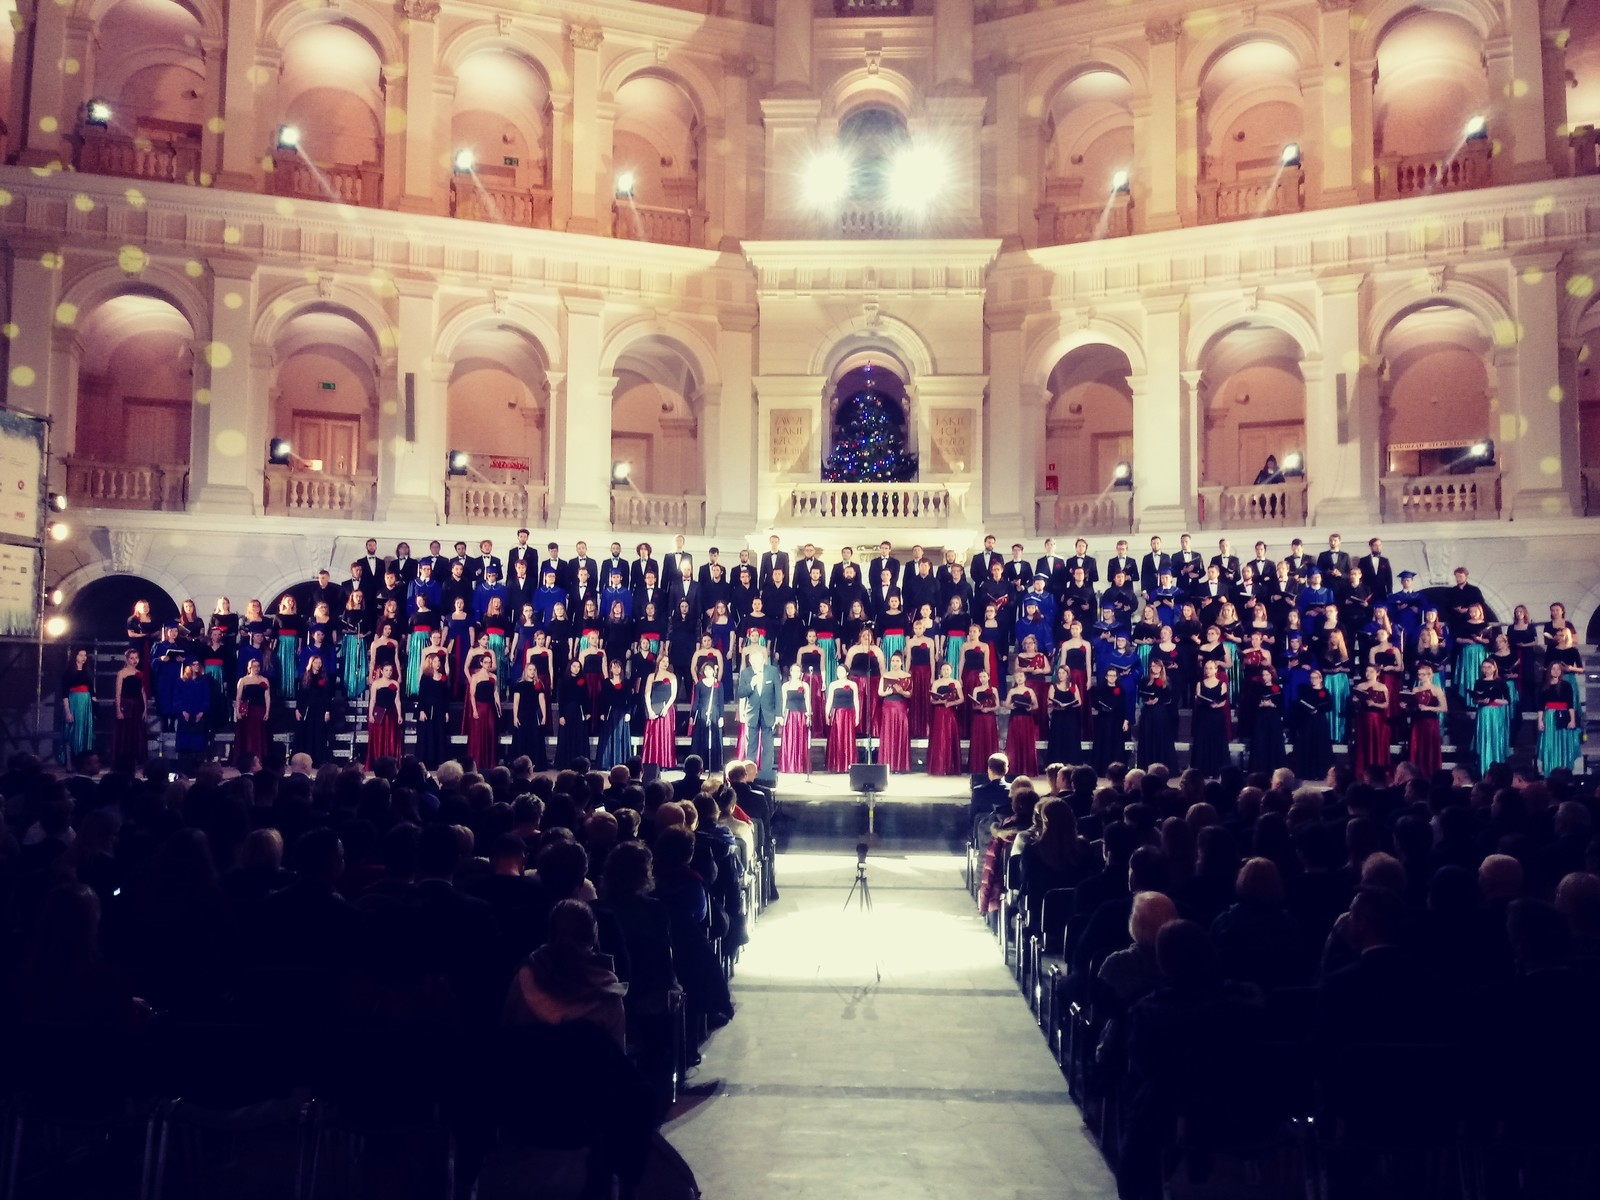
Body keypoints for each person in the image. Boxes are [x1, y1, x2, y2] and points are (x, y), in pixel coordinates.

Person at [736, 643, 782, 774]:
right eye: (752, 661)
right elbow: (741, 693)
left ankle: (766, 773)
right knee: (751, 745)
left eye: (757, 660)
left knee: (767, 745)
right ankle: (750, 772)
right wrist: (751, 685)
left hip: (768, 713)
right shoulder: (746, 673)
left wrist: (778, 714)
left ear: (763, 660)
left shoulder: (772, 671)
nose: (755, 663)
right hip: (752, 713)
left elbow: (778, 694)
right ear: (750, 661)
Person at [1537, 661, 1582, 776]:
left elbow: (1570, 705)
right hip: (1549, 718)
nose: (1556, 671)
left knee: (1563, 744)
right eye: (1553, 669)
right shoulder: (1544, 686)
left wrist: (1572, 720)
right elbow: (1541, 706)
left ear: (1561, 671)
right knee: (1550, 744)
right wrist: (1540, 721)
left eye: (1558, 669)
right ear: (1549, 671)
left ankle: (1564, 771)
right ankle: (1550, 771)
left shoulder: (1566, 685)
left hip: (1563, 717)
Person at [1471, 658, 1513, 773]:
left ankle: (1497, 768)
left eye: (1489, 667)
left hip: (1496, 714)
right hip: (1483, 713)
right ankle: (1484, 768)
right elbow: (1474, 700)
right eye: (1484, 667)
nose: (1486, 670)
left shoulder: (1500, 682)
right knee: (1484, 738)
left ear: (1494, 668)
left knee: (1495, 738)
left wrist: (1493, 699)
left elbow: (1507, 701)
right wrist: (1480, 700)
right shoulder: (1478, 682)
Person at [1293, 668, 1334, 782]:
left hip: (1319, 721)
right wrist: (1307, 709)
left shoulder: (1325, 691)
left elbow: (1329, 705)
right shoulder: (1306, 691)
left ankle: (1319, 772)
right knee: (1307, 745)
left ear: (1321, 679)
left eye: (1315, 678)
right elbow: (1300, 703)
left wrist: (1318, 709)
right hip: (1308, 722)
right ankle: (1307, 772)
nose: (1313, 680)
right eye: (1311, 678)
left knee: (1319, 746)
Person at [1407, 662, 1446, 777]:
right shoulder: (1415, 689)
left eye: (1423, 674)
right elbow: (1413, 707)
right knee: (1417, 748)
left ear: (1430, 675)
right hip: (1418, 722)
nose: (1420, 677)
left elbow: (1444, 708)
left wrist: (1428, 708)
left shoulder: (1436, 689)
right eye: (1419, 674)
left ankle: (1430, 773)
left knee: (1430, 749)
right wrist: (1406, 706)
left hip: (1430, 723)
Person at [1352, 664, 1391, 778]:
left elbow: (1386, 705)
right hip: (1363, 719)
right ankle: (1362, 770)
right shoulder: (1360, 686)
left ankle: (1377, 770)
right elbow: (1356, 704)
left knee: (1376, 743)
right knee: (1363, 744)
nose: (1368, 674)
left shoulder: (1382, 687)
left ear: (1378, 673)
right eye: (1367, 671)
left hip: (1377, 720)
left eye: (1371, 671)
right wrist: (1355, 701)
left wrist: (1374, 704)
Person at [294, 655, 335, 763]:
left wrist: (327, 711)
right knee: (307, 734)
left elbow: (327, 696)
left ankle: (318, 759)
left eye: (320, 663)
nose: (318, 665)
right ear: (311, 664)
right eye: (316, 663)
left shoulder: (325, 677)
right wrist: (297, 709)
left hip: (320, 710)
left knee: (319, 734)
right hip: (307, 710)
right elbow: (300, 694)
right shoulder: (305, 677)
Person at [1247, 665, 1287, 774]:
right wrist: (1260, 704)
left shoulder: (1277, 688)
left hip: (1273, 718)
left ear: (1272, 675)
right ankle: (1259, 770)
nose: (1264, 677)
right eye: (1263, 675)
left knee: (1273, 742)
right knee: (1260, 742)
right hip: (1261, 718)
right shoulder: (1257, 688)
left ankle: (1273, 769)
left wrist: (1272, 704)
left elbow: (1281, 706)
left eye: (1267, 675)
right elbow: (1251, 704)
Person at [464, 651, 501, 767]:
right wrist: (474, 710)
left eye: (490, 663)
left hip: (490, 708)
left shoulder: (493, 677)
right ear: (481, 663)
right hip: (480, 707)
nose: (488, 665)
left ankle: (490, 762)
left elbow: (495, 693)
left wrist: (499, 707)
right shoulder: (475, 677)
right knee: (479, 734)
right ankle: (478, 761)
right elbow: (472, 695)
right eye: (486, 662)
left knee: (491, 732)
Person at [878, 651, 913, 773]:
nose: (895, 663)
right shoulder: (885, 675)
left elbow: (910, 694)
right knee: (888, 734)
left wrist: (902, 691)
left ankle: (900, 765)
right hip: (888, 706)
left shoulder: (907, 675)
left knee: (900, 733)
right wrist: (886, 693)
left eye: (897, 661)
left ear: (901, 662)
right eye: (893, 661)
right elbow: (880, 692)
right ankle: (888, 764)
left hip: (901, 706)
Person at [926, 663, 964, 776]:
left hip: (951, 712)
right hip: (939, 712)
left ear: (951, 670)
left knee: (950, 736)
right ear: (941, 671)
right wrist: (941, 701)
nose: (945, 671)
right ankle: (938, 766)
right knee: (939, 737)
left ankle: (951, 767)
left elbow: (961, 699)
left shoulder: (956, 682)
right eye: (943, 669)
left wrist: (951, 703)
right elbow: (932, 699)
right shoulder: (936, 683)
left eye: (947, 669)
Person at [232, 656, 270, 767]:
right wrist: (238, 712)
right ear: (249, 668)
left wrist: (267, 711)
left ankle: (259, 759)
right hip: (247, 712)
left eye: (258, 666)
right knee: (247, 736)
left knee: (259, 736)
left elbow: (267, 697)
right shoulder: (243, 680)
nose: (257, 668)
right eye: (254, 666)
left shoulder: (264, 680)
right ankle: (245, 761)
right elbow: (238, 697)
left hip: (260, 710)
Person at [416, 649, 451, 767]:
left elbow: (446, 696)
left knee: (439, 734)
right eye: (435, 661)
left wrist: (446, 712)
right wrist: (421, 710)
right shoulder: (426, 677)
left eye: (439, 661)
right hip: (427, 709)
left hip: (440, 709)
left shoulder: (443, 677)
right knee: (427, 734)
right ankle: (426, 761)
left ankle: (439, 760)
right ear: (430, 663)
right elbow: (421, 695)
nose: (438, 663)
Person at [1089, 667, 1128, 775]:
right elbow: (1096, 703)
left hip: (1117, 720)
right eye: (1110, 675)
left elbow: (1124, 706)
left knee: (1116, 744)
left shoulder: (1121, 690)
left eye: (1114, 676)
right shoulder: (1100, 689)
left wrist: (1126, 721)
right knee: (1103, 743)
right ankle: (1102, 769)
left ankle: (1116, 771)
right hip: (1104, 719)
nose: (1112, 678)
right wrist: (1102, 707)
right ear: (1106, 677)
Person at [1003, 668, 1040, 778]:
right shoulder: (1012, 691)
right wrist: (1010, 706)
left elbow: (1036, 705)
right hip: (1015, 719)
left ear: (1025, 678)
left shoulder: (1030, 691)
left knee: (1026, 743)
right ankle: (1015, 769)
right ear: (1015, 679)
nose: (1019, 678)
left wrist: (1031, 708)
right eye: (1017, 677)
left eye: (1021, 676)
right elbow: (1006, 704)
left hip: (1027, 720)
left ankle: (1027, 769)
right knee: (1015, 743)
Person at [61, 648, 95, 764]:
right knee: (70, 733)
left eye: (85, 655)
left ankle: (82, 762)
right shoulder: (68, 672)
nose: (83, 658)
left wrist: (95, 707)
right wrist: (68, 712)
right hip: (74, 703)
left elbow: (92, 691)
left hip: (86, 705)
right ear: (75, 656)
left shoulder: (88, 672)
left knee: (85, 734)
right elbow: (64, 693)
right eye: (81, 655)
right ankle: (69, 762)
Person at [596, 659, 632, 770]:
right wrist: (602, 712)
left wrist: (628, 713)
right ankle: (607, 763)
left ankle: (620, 762)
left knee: (620, 738)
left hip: (621, 714)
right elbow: (602, 698)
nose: (616, 669)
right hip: (609, 713)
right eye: (614, 667)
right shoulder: (606, 682)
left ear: (621, 669)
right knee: (609, 738)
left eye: (618, 667)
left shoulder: (626, 682)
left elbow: (630, 699)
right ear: (610, 669)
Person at [690, 662, 724, 770]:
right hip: (702, 713)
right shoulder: (699, 684)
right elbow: (696, 701)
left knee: (714, 739)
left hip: (715, 713)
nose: (708, 672)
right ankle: (700, 765)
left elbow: (721, 702)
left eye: (710, 669)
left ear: (713, 671)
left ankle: (714, 765)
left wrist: (721, 717)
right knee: (701, 739)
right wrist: (692, 715)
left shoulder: (718, 684)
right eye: (705, 670)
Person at [778, 664, 812, 775]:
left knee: (801, 740)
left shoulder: (805, 685)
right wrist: (782, 716)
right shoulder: (785, 686)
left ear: (801, 673)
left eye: (798, 671)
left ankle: (800, 766)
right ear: (790, 672)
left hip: (801, 715)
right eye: (794, 671)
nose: (796, 673)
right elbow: (784, 702)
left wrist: (808, 715)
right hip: (789, 716)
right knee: (789, 740)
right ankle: (789, 765)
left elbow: (807, 701)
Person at [366, 661, 402, 766]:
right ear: (381, 671)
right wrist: (370, 714)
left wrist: (399, 715)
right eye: (386, 670)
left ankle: (390, 763)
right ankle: (378, 762)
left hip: (391, 715)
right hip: (379, 714)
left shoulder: (395, 683)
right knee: (379, 739)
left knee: (391, 739)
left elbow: (397, 701)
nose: (389, 672)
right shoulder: (376, 684)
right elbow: (372, 700)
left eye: (390, 670)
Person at [825, 665, 859, 773]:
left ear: (847, 673)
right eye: (838, 671)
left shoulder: (853, 684)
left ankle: (848, 764)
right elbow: (829, 700)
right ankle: (836, 765)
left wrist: (857, 716)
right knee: (837, 738)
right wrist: (827, 714)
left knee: (848, 738)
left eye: (842, 671)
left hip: (849, 714)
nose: (839, 673)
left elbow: (856, 700)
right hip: (837, 714)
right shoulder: (833, 684)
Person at [1047, 665, 1082, 765]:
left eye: (1063, 673)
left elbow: (1079, 702)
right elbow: (1049, 702)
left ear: (1067, 674)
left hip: (1070, 716)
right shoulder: (1053, 686)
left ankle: (1072, 763)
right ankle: (1057, 763)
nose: (1061, 675)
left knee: (1071, 739)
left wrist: (1070, 705)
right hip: (1058, 717)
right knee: (1057, 740)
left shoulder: (1073, 686)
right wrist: (1057, 706)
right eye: (1059, 673)